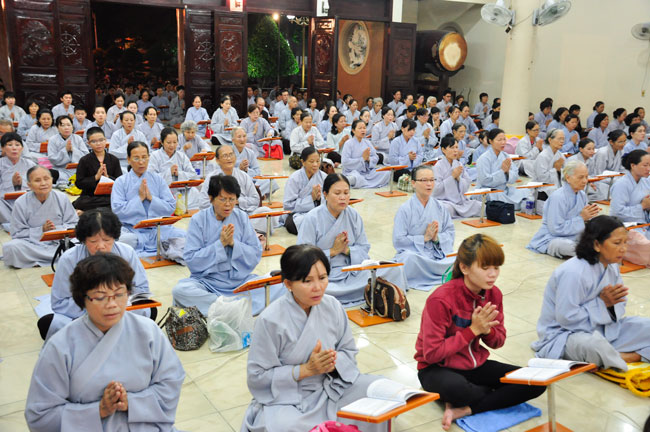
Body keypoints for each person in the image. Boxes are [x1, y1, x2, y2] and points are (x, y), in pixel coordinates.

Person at [25, 254, 185, 431]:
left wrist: (131, 402)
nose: (112, 304)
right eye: (100, 297)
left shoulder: (148, 331)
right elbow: (40, 416)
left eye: (119, 294)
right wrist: (98, 410)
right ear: (82, 299)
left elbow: (171, 382)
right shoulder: (60, 346)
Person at [241, 244, 382, 432]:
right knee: (286, 427)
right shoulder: (269, 320)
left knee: (380, 394)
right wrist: (305, 370)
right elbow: (257, 377)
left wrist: (333, 363)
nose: (318, 288)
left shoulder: (333, 306)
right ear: (288, 284)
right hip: (288, 397)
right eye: (307, 281)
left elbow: (348, 351)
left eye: (323, 278)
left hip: (331, 386)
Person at [416, 234, 545, 431]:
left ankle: (465, 408)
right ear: (464, 268)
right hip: (435, 369)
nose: (493, 274)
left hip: (474, 365)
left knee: (535, 381)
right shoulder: (440, 300)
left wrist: (486, 330)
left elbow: (498, 341)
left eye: (496, 267)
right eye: (485, 268)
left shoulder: (494, 294)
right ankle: (472, 396)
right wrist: (472, 330)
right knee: (459, 389)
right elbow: (432, 354)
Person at [532, 215, 650, 370]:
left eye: (625, 242)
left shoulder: (612, 266)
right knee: (592, 345)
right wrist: (602, 304)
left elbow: (619, 306)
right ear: (597, 244)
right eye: (617, 243)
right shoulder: (573, 272)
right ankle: (627, 356)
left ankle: (617, 356)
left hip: (604, 328)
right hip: (565, 335)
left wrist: (609, 305)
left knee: (646, 326)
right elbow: (566, 318)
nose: (623, 249)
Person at [173, 174, 284, 316]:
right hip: (208, 284)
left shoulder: (241, 217)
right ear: (211, 198)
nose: (228, 204)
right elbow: (191, 259)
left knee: (282, 284)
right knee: (181, 290)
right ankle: (235, 306)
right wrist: (220, 245)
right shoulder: (198, 220)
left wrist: (233, 244)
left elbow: (255, 252)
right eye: (223, 199)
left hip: (240, 283)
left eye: (232, 199)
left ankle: (224, 307)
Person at [41, 208, 153, 340]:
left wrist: (117, 303)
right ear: (83, 240)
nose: (101, 246)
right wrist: (95, 306)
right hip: (84, 314)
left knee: (147, 310)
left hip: (119, 311)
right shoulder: (69, 259)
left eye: (107, 240)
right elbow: (59, 302)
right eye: (93, 241)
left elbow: (141, 289)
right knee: (49, 323)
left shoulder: (127, 252)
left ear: (115, 237)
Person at [297, 174, 408, 305]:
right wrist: (333, 251)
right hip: (325, 276)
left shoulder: (353, 215)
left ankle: (365, 291)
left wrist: (347, 250)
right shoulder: (312, 218)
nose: (343, 197)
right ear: (325, 194)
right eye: (337, 193)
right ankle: (365, 292)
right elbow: (303, 258)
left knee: (395, 270)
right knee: (306, 288)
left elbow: (364, 247)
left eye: (346, 193)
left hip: (353, 271)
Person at [111, 141, 185, 260]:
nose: (141, 162)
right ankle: (164, 248)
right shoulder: (120, 182)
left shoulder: (158, 179)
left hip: (159, 229)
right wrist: (139, 198)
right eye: (136, 158)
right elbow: (117, 210)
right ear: (128, 159)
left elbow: (171, 206)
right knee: (123, 241)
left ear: (149, 157)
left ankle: (163, 246)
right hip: (133, 231)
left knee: (187, 236)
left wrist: (151, 198)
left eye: (144, 157)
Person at [393, 165, 455, 289]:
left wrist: (436, 238)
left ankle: (433, 272)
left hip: (437, 254)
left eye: (432, 180)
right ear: (413, 183)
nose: (429, 184)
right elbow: (398, 240)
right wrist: (424, 238)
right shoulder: (405, 209)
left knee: (462, 258)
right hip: (416, 256)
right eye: (424, 180)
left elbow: (450, 231)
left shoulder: (440, 207)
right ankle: (438, 274)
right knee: (407, 259)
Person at [3, 166, 78, 268]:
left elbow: (73, 224)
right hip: (33, 244)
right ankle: (62, 257)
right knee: (11, 248)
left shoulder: (62, 198)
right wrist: (41, 230)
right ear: (29, 185)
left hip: (59, 242)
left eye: (46, 179)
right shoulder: (20, 203)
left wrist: (56, 231)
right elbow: (16, 233)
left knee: (84, 243)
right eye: (37, 180)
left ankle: (39, 259)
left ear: (52, 180)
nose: (43, 183)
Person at [528, 161, 601, 258]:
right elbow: (555, 229)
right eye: (580, 177)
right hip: (552, 238)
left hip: (577, 236)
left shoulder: (582, 195)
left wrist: (591, 216)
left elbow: (586, 222)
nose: (585, 181)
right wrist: (581, 218)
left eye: (586, 177)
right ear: (568, 178)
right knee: (563, 246)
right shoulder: (558, 197)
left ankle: (588, 250)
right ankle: (588, 252)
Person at [199, 144, 276, 234]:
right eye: (225, 156)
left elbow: (255, 199)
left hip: (245, 215)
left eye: (231, 154)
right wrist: (223, 203)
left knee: (266, 211)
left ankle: (246, 231)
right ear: (217, 160)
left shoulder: (243, 176)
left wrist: (238, 201)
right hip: (221, 217)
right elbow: (203, 203)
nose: (229, 158)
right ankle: (249, 232)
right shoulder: (211, 178)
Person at [476, 128, 530, 210]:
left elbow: (515, 175)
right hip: (487, 190)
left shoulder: (505, 156)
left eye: (504, 139)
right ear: (491, 141)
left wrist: (507, 172)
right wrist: (502, 172)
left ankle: (512, 205)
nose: (503, 142)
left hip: (504, 189)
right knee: (497, 196)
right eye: (499, 140)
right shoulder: (483, 158)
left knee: (525, 191)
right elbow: (485, 180)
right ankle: (513, 205)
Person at [73, 127, 122, 211]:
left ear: (105, 140)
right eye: (94, 141)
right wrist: (96, 177)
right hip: (90, 196)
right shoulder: (84, 160)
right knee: (81, 202)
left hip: (108, 195)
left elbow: (120, 182)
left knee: (117, 200)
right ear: (88, 143)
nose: (98, 144)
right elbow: (79, 183)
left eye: (101, 140)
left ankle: (89, 211)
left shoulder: (114, 159)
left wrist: (107, 177)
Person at [149, 128, 200, 209]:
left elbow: (193, 175)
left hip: (181, 190)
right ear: (162, 142)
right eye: (169, 142)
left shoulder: (181, 156)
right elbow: (151, 177)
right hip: (163, 191)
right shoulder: (154, 156)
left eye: (175, 142)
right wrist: (169, 172)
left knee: (195, 192)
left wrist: (179, 174)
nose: (172, 145)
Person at [433, 134, 481, 218]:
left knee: (479, 206)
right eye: (452, 148)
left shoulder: (458, 164)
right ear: (443, 149)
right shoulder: (438, 166)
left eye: (456, 147)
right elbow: (436, 189)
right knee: (445, 209)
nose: (455, 150)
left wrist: (458, 178)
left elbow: (467, 183)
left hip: (460, 201)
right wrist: (452, 177)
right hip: (445, 201)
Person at [283, 147, 327, 235]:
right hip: (298, 214)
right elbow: (288, 205)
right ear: (303, 162)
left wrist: (319, 199)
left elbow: (329, 200)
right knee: (294, 223)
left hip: (318, 212)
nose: (315, 165)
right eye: (311, 161)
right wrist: (311, 199)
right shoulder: (294, 178)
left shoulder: (324, 177)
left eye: (318, 161)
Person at [610, 150, 650, 238]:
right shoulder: (621, 184)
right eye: (645, 165)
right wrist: (642, 206)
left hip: (645, 225)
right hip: (627, 228)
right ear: (633, 166)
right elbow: (617, 213)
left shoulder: (646, 181)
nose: (648, 169)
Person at [341, 120, 390, 188]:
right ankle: (351, 181)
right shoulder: (348, 143)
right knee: (353, 178)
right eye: (360, 128)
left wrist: (368, 159)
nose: (363, 130)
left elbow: (376, 157)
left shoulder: (367, 143)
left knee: (386, 172)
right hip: (353, 172)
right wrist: (362, 159)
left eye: (364, 128)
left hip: (368, 172)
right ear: (353, 130)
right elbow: (345, 162)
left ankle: (362, 182)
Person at [0, 132, 35, 226]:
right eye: (9, 145)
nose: (14, 148)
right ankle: (13, 224)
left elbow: (37, 184)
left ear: (22, 148)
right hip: (4, 201)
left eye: (17, 145)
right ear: (3, 148)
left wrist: (20, 185)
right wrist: (12, 185)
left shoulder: (30, 164)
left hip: (26, 199)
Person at [230, 126, 276, 197]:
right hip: (235, 183)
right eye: (239, 137)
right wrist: (239, 170)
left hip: (250, 181)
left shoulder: (250, 152)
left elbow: (257, 171)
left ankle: (253, 195)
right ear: (233, 140)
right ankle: (257, 195)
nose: (242, 139)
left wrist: (247, 170)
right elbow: (224, 172)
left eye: (244, 136)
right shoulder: (228, 153)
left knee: (270, 182)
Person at [47, 115, 88, 186]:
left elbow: (86, 156)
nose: (66, 128)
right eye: (63, 125)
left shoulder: (78, 138)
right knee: (48, 173)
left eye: (69, 125)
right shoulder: (52, 140)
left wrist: (73, 150)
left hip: (77, 170)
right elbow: (52, 158)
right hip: (60, 170)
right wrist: (65, 150)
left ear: (72, 127)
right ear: (57, 127)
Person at [532, 128, 566, 199]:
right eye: (559, 139)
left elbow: (566, 175)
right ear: (550, 140)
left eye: (563, 139)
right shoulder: (542, 156)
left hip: (558, 187)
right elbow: (542, 178)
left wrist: (560, 171)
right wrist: (555, 169)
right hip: (544, 189)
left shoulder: (561, 156)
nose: (562, 141)